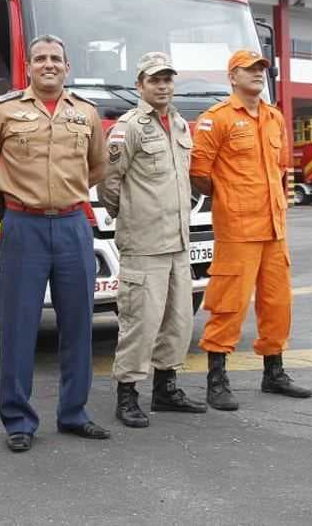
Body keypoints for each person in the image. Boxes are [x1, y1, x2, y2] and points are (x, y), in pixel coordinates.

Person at [0, 34, 110, 453]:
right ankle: (18, 419)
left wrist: (66, 191)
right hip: (23, 227)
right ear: (28, 67)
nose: (48, 64)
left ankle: (74, 413)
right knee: (18, 325)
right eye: (40, 58)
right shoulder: (4, 111)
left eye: (56, 59)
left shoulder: (85, 113)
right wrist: (13, 194)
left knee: (79, 323)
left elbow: (98, 165)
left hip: (72, 226)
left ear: (67, 68)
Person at [190, 49, 312, 411]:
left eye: (262, 70)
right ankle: (217, 378)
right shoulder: (217, 119)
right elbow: (199, 174)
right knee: (229, 303)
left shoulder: (274, 118)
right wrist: (229, 198)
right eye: (250, 70)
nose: (259, 75)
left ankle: (273, 372)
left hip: (275, 227)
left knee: (278, 302)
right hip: (238, 228)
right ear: (232, 77)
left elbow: (280, 169)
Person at [97, 52, 207, 428]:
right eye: (155, 80)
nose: (162, 86)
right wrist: (130, 213)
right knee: (140, 322)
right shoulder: (129, 128)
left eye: (167, 79)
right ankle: (127, 394)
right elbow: (109, 182)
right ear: (140, 86)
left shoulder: (178, 124)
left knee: (178, 321)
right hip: (144, 242)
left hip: (178, 240)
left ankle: (165, 389)